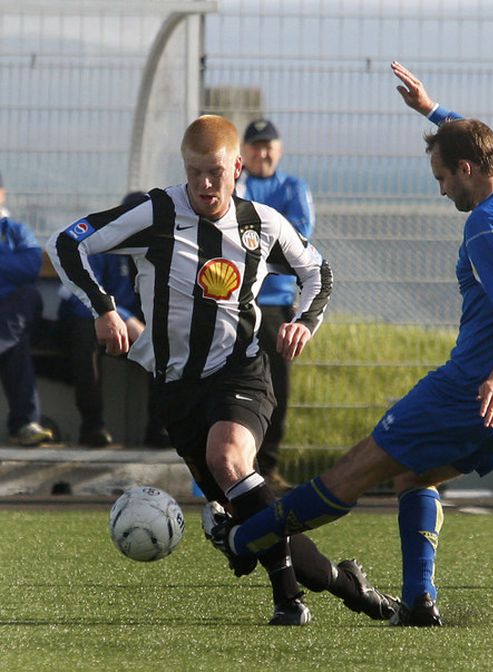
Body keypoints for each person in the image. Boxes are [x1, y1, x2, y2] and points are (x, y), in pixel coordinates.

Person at [217, 62, 493, 627]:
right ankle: (420, 600)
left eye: (444, 178)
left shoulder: (486, 226)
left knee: (353, 470)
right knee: (414, 477)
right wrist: (433, 112)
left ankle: (241, 537)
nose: (442, 188)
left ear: (469, 169)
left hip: (477, 385)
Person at [46, 114, 397, 626]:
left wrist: (304, 321)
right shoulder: (157, 213)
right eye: (194, 174)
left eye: (215, 173)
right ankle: (337, 588)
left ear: (238, 167)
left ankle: (291, 599)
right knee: (246, 516)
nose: (205, 185)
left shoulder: (261, 223)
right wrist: (103, 307)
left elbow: (317, 271)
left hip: (242, 372)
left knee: (229, 458)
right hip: (177, 389)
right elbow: (67, 242)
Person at [236, 118, 315, 493]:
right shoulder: (235, 185)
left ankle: (266, 466)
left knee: (276, 386)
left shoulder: (293, 187)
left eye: (269, 145)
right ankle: (235, 464)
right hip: (234, 302)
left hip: (274, 303)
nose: (263, 152)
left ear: (279, 150)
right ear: (243, 152)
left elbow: (296, 238)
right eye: (255, 146)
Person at [57, 191, 170, 448]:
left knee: (172, 339)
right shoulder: (103, 246)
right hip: (91, 328)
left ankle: (160, 428)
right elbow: (80, 299)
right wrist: (124, 318)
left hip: (139, 333)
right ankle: (93, 426)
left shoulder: (165, 253)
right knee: (84, 332)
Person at [0, 171, 55, 446]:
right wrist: (8, 262)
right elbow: (18, 266)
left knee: (28, 295)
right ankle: (24, 424)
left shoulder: (16, 230)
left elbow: (30, 267)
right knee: (16, 344)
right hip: (13, 328)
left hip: (15, 307)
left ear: (2, 194)